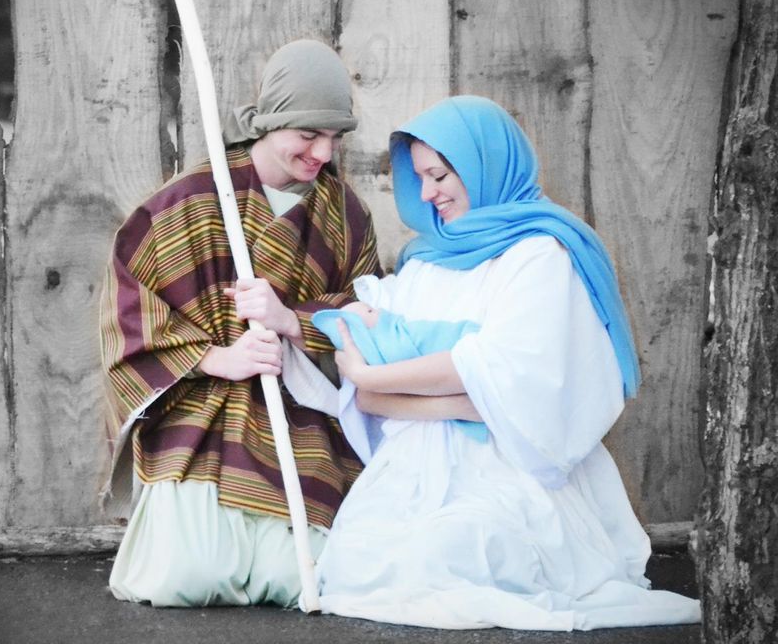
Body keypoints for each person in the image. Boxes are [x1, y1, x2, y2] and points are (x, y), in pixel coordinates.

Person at [302, 95, 701, 629]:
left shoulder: (541, 257)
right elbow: (388, 397)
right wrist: (445, 393)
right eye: (418, 177)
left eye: (439, 174)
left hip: (511, 472)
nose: (427, 194)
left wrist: (379, 378)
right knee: (362, 564)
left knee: (465, 551)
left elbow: (509, 393)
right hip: (416, 473)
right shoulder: (425, 264)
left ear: (482, 163)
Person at [99, 39, 380, 608]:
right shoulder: (189, 202)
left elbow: (371, 317)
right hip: (201, 406)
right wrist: (216, 358)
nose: (322, 154)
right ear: (271, 122)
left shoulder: (347, 217)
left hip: (298, 408)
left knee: (300, 577)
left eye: (335, 138)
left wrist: (293, 322)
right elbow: (129, 306)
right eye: (308, 135)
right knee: (188, 577)